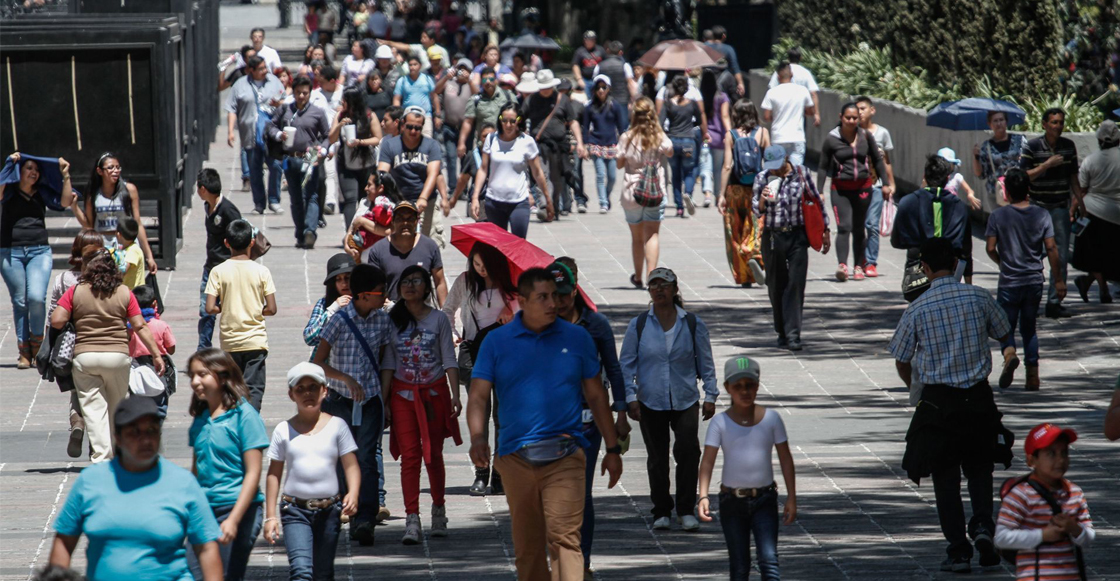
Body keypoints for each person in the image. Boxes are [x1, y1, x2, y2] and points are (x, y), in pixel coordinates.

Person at [467, 267, 623, 581]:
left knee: (564, 539)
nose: (553, 303)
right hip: (515, 459)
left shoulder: (577, 337)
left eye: (555, 295)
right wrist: (478, 437)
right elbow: (479, 396)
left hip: (565, 455)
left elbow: (595, 395)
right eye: (543, 297)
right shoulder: (496, 342)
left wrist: (612, 447)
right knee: (528, 548)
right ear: (522, 301)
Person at [889, 238, 1015, 574]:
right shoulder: (977, 296)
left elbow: (900, 357)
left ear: (925, 269)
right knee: (979, 468)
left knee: (945, 479)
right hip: (978, 398)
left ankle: (958, 551)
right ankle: (984, 528)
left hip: (939, 401)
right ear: (956, 262)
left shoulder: (918, 307)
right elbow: (1004, 330)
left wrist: (914, 386)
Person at [50, 397, 222, 581]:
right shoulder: (90, 482)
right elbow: (64, 541)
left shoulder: (183, 483)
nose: (146, 439)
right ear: (118, 438)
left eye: (152, 431)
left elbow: (206, 548)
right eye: (135, 432)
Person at [619, 267, 717, 532]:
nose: (659, 290)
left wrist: (711, 394)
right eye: (654, 286)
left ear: (675, 290)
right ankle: (661, 510)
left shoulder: (692, 323)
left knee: (688, 451)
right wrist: (630, 397)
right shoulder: (639, 325)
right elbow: (626, 364)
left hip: (685, 398)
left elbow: (706, 362)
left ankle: (686, 509)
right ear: (649, 292)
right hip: (650, 399)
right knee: (657, 457)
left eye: (665, 285)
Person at [551, 259, 631, 576]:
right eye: (552, 295)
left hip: (587, 421)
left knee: (581, 494)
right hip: (550, 422)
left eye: (564, 295)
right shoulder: (539, 324)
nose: (558, 302)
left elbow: (613, 369)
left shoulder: (595, 325)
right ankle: (560, 557)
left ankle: (581, 562)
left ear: (575, 291)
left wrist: (621, 412)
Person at [50, 249, 165, 462]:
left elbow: (57, 320)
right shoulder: (124, 292)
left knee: (94, 411)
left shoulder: (76, 291)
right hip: (118, 357)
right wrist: (156, 355)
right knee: (117, 406)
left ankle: (101, 457)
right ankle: (117, 455)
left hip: (85, 358)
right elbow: (140, 326)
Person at [380, 266, 462, 544]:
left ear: (427, 288)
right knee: (410, 457)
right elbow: (389, 362)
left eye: (416, 281)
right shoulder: (393, 320)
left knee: (433, 455)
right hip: (402, 397)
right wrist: (385, 399)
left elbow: (449, 358)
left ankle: (438, 509)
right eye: (405, 282)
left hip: (434, 396)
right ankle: (411, 519)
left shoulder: (439, 319)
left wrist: (455, 394)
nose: (409, 286)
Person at [312, 264, 393, 544]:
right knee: (342, 458)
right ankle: (344, 507)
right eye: (381, 292)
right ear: (363, 295)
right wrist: (345, 378)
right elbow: (318, 362)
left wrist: (383, 396)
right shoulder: (338, 321)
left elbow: (385, 360)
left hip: (370, 400)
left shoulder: (382, 320)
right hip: (340, 401)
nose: (385, 297)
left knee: (367, 458)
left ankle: (365, 519)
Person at [697, 356, 796, 581]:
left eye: (750, 385)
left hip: (765, 500)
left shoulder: (772, 419)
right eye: (738, 386)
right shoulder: (720, 423)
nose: (745, 391)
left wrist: (791, 497)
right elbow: (708, 461)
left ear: (758, 386)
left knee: (769, 560)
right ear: (727, 388)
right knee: (739, 565)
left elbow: (785, 459)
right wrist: (703, 495)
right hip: (731, 502)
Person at [264, 362, 361, 579]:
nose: (307, 393)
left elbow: (351, 464)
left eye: (313, 387)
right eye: (300, 389)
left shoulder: (338, 426)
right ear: (291, 395)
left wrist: (353, 492)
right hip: (294, 509)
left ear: (324, 391)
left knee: (323, 573)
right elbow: (273, 474)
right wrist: (270, 516)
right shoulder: (283, 430)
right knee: (301, 572)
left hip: (330, 510)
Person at [186, 349, 269, 581]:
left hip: (238, 510)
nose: (195, 382)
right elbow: (197, 469)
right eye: (192, 375)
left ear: (222, 377)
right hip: (204, 510)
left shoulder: (245, 415)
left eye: (202, 374)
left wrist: (233, 519)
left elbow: (253, 473)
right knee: (192, 573)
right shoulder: (200, 417)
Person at [442, 242, 517, 495]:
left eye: (485, 265)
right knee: (480, 413)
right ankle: (481, 473)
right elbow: (448, 311)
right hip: (476, 353)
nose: (481, 270)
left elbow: (529, 311)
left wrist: (512, 309)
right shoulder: (465, 281)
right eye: (476, 264)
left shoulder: (511, 282)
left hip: (507, 354)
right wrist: (453, 334)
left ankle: (500, 473)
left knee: (503, 417)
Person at [984, 168, 1063, 391]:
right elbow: (1051, 247)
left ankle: (1009, 354)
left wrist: (1002, 262)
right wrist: (1058, 280)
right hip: (1033, 281)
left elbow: (990, 247)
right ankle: (1033, 377)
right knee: (1029, 328)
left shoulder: (997, 216)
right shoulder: (1041, 215)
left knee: (1005, 327)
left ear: (1006, 192)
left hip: (1009, 281)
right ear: (1028, 190)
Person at [753, 145, 831, 350]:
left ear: (786, 159)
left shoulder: (802, 173)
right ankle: (781, 330)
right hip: (773, 236)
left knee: (796, 285)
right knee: (775, 284)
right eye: (770, 167)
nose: (774, 170)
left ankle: (794, 334)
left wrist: (826, 230)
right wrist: (763, 197)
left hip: (797, 235)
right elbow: (755, 209)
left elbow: (816, 201)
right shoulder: (762, 177)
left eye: (777, 166)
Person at [1, 152, 74, 368]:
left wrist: (66, 175)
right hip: (10, 251)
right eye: (28, 168)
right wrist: (8, 164)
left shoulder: (41, 192)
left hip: (39, 251)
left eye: (36, 169)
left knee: (36, 298)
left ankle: (38, 345)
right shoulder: (9, 192)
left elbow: (65, 201)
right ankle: (25, 351)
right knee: (20, 302)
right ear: (20, 172)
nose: (33, 172)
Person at [994, 423, 1095, 578]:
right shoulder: (1021, 494)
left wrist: (1075, 529)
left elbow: (1088, 538)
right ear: (1031, 460)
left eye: (1064, 453)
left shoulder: (1074, 493)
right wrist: (1043, 535)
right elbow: (1001, 538)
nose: (1060, 460)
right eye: (1051, 454)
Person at [204, 219, 278, 411]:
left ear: (226, 243)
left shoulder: (217, 272)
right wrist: (256, 309)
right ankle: (250, 427)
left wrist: (225, 307)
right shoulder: (262, 271)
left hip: (230, 343)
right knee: (254, 390)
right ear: (252, 242)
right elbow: (271, 308)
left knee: (232, 390)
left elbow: (210, 307)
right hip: (255, 341)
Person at [1020, 108, 1083, 319]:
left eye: (1061, 122)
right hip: (1037, 206)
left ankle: (1054, 302)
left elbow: (1074, 178)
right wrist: (1046, 165)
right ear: (1045, 124)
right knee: (1032, 255)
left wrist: (1080, 203)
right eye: (1054, 122)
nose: (1058, 126)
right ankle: (1028, 299)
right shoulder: (1032, 147)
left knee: (1061, 254)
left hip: (1059, 207)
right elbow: (1024, 177)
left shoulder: (1068, 147)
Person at [816, 102, 889, 282]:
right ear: (841, 117)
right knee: (844, 227)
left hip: (863, 188)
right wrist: (819, 191)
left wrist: (885, 183)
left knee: (859, 228)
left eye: (854, 118)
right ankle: (842, 265)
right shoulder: (832, 139)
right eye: (848, 117)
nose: (851, 121)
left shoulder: (865, 136)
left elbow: (878, 161)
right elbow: (823, 167)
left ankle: (858, 266)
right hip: (840, 189)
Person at [47, 229, 103, 456]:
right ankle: (96, 443)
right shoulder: (106, 280)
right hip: (100, 341)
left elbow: (53, 315)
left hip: (70, 345)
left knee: (77, 390)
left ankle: (77, 421)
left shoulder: (63, 280)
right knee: (99, 393)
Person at [268, 75, 333, 249]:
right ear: (294, 93)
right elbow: (271, 126)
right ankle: (300, 233)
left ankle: (310, 231)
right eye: (298, 93)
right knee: (296, 198)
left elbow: (327, 136)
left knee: (311, 194)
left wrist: (323, 150)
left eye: (305, 93)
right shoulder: (285, 110)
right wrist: (278, 134)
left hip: (310, 155)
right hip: (290, 157)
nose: (301, 96)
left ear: (310, 93)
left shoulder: (317, 112)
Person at [471, 103, 552, 236]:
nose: (508, 125)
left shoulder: (527, 141)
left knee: (518, 246)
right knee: (498, 248)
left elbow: (537, 173)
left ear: (519, 121)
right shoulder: (491, 139)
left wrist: (547, 200)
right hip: (494, 201)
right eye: (504, 120)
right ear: (500, 119)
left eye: (512, 121)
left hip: (518, 202)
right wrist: (475, 197)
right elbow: (483, 169)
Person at [618, 97, 673, 288]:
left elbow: (619, 163)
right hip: (654, 189)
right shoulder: (658, 135)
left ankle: (639, 277)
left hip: (632, 190)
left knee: (637, 237)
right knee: (653, 235)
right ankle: (652, 276)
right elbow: (670, 151)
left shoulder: (627, 137)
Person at [891, 155, 971, 283]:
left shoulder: (907, 202)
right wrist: (968, 280)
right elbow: (966, 249)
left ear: (925, 176)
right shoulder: (959, 206)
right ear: (947, 179)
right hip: (949, 275)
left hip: (916, 275)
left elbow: (896, 241)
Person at [520, 69, 585, 221]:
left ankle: (553, 208)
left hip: (559, 146)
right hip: (539, 145)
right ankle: (543, 205)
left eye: (548, 86)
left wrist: (580, 143)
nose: (546, 90)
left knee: (557, 179)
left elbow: (572, 121)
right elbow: (521, 118)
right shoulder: (531, 100)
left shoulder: (562, 100)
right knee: (543, 175)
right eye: (543, 87)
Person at [719, 100, 769, 288]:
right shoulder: (763, 133)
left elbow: (727, 166)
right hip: (757, 188)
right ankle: (754, 254)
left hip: (736, 189)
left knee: (735, 231)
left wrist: (721, 194)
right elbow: (770, 163)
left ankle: (744, 275)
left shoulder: (731, 135)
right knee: (756, 225)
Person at [225, 57, 286, 215]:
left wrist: (278, 104)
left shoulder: (274, 82)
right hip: (249, 136)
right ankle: (259, 203)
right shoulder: (240, 85)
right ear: (250, 70)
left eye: (265, 67)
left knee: (276, 166)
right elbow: (231, 108)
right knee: (255, 170)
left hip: (271, 136)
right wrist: (231, 131)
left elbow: (285, 103)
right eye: (261, 68)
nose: (265, 71)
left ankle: (274, 200)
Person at [378, 107, 446, 244]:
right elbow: (382, 172)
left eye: (418, 128)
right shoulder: (389, 145)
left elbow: (433, 173)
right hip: (398, 203)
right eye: (410, 127)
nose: (414, 131)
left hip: (426, 201)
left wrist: (423, 198)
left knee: (429, 245)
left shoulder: (431, 145)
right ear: (402, 124)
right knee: (399, 244)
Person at [83, 153, 158, 273]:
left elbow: (137, 223)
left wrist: (149, 256)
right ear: (99, 171)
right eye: (110, 167)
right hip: (102, 243)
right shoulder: (93, 194)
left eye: (118, 167)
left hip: (126, 242)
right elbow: (89, 225)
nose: (115, 171)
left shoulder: (129, 190)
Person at [1072, 119, 1120, 303]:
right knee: (1112, 254)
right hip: (1117, 215)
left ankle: (1097, 286)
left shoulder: (1091, 160)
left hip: (1093, 212)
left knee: (1093, 254)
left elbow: (1080, 190)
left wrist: (1072, 211)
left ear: (1099, 140)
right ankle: (1098, 287)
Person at [196, 169, 242, 352]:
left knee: (232, 311)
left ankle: (235, 347)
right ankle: (203, 350)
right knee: (205, 310)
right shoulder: (208, 206)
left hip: (228, 268)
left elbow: (242, 233)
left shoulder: (228, 210)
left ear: (203, 189)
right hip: (210, 268)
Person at [367, 200, 448, 303]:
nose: (405, 223)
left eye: (410, 219)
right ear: (393, 221)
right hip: (391, 313)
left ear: (417, 221)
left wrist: (445, 313)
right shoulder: (378, 250)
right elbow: (373, 286)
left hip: (422, 312)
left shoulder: (430, 247)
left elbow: (440, 282)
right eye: (400, 219)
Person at [330, 87, 384, 227]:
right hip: (346, 164)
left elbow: (378, 138)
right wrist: (339, 126)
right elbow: (331, 138)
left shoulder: (369, 115)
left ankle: (366, 231)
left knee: (365, 198)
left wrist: (360, 142)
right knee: (350, 198)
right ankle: (350, 233)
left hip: (367, 163)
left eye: (345, 99)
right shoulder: (340, 115)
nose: (342, 101)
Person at [855, 96, 896, 277]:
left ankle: (871, 262)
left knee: (872, 225)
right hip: (856, 186)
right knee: (858, 225)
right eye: (857, 109)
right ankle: (859, 261)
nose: (860, 112)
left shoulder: (882, 133)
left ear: (872, 110)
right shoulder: (850, 132)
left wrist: (890, 183)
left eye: (863, 108)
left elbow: (886, 161)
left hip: (876, 185)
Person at [581, 75, 628, 213]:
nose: (601, 90)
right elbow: (585, 126)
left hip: (612, 144)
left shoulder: (615, 105)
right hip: (595, 142)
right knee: (600, 174)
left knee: (612, 177)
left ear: (609, 89)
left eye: (604, 87)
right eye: (598, 88)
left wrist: (623, 144)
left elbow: (621, 127)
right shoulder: (589, 107)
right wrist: (585, 145)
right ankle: (603, 203)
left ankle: (606, 197)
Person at [128, 285, 176, 417]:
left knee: (137, 398)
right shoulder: (161, 325)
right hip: (158, 368)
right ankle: (156, 428)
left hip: (135, 367)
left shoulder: (129, 327)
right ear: (155, 303)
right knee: (159, 401)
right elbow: (171, 349)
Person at [662, 75, 705, 218]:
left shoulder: (668, 103)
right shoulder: (692, 104)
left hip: (673, 141)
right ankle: (688, 193)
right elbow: (699, 121)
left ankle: (679, 207)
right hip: (688, 142)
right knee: (689, 171)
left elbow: (660, 121)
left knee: (675, 174)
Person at [761, 62, 815, 167]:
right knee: (796, 172)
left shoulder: (771, 92)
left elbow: (766, 117)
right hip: (797, 137)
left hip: (778, 137)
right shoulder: (802, 91)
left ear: (778, 77)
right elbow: (810, 111)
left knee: (778, 170)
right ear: (792, 75)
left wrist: (777, 116)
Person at [435, 58, 476, 195]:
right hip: (449, 126)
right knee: (451, 157)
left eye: (465, 69)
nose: (462, 71)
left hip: (467, 128)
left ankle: (462, 189)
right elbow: (436, 91)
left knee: (465, 158)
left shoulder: (471, 84)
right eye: (460, 68)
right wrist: (446, 77)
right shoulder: (449, 82)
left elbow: (478, 94)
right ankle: (453, 188)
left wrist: (469, 80)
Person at [458, 66, 516, 158]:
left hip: (506, 144)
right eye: (485, 80)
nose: (488, 82)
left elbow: (517, 118)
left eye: (491, 79)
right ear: (481, 82)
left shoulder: (508, 96)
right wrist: (461, 143)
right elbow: (468, 122)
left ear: (496, 80)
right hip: (484, 146)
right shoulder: (475, 100)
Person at [972, 110, 1027, 207]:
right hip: (996, 193)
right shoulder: (986, 146)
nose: (999, 123)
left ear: (1006, 122)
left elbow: (1028, 162)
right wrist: (976, 157)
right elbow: (981, 174)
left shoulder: (1020, 140)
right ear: (990, 124)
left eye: (1001, 120)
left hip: (1018, 191)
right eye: (995, 121)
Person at [311, 66, 346, 217]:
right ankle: (330, 201)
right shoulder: (315, 94)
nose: (320, 84)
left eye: (323, 81)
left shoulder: (343, 92)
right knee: (329, 171)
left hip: (344, 136)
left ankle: (343, 200)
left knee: (343, 172)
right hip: (325, 137)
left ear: (333, 81)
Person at [305, 253, 355, 356]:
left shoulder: (364, 302)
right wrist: (332, 310)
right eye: (338, 279)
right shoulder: (323, 304)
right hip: (327, 365)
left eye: (347, 278)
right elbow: (309, 337)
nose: (344, 284)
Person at [699, 70, 732, 208]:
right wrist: (730, 133)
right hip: (719, 138)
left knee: (705, 165)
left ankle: (707, 193)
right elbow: (725, 116)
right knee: (718, 168)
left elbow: (700, 117)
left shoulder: (700, 97)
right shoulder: (722, 97)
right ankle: (718, 195)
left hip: (706, 137)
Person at [766, 47, 820, 127]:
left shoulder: (781, 71)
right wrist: (816, 114)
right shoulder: (805, 73)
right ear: (800, 58)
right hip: (799, 112)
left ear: (788, 58)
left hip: (781, 112)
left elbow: (772, 89)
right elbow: (813, 94)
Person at [393, 55, 440, 137]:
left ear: (420, 66)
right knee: (409, 140)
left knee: (427, 140)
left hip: (426, 116)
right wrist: (397, 115)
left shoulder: (427, 79)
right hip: (408, 116)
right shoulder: (402, 80)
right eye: (410, 65)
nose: (412, 67)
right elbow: (396, 99)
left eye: (415, 64)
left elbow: (435, 97)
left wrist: (438, 115)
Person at [378, 27, 450, 73]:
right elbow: (405, 46)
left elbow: (446, 68)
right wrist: (388, 42)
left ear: (432, 40)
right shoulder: (420, 48)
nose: (422, 40)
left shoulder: (443, 51)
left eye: (425, 38)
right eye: (421, 37)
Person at [705, 26, 745, 97]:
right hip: (723, 83)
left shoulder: (705, 47)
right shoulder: (728, 49)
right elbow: (735, 68)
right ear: (724, 36)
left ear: (712, 36)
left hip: (707, 80)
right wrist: (740, 83)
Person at [572, 30, 605, 98]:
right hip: (585, 80)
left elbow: (606, 63)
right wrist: (579, 79)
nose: (590, 41)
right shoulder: (580, 51)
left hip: (599, 79)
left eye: (592, 39)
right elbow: (575, 65)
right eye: (588, 39)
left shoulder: (600, 50)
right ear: (585, 40)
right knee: (586, 99)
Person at [114, 218, 144, 289]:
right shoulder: (129, 248)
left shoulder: (132, 250)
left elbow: (123, 269)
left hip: (133, 292)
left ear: (118, 234)